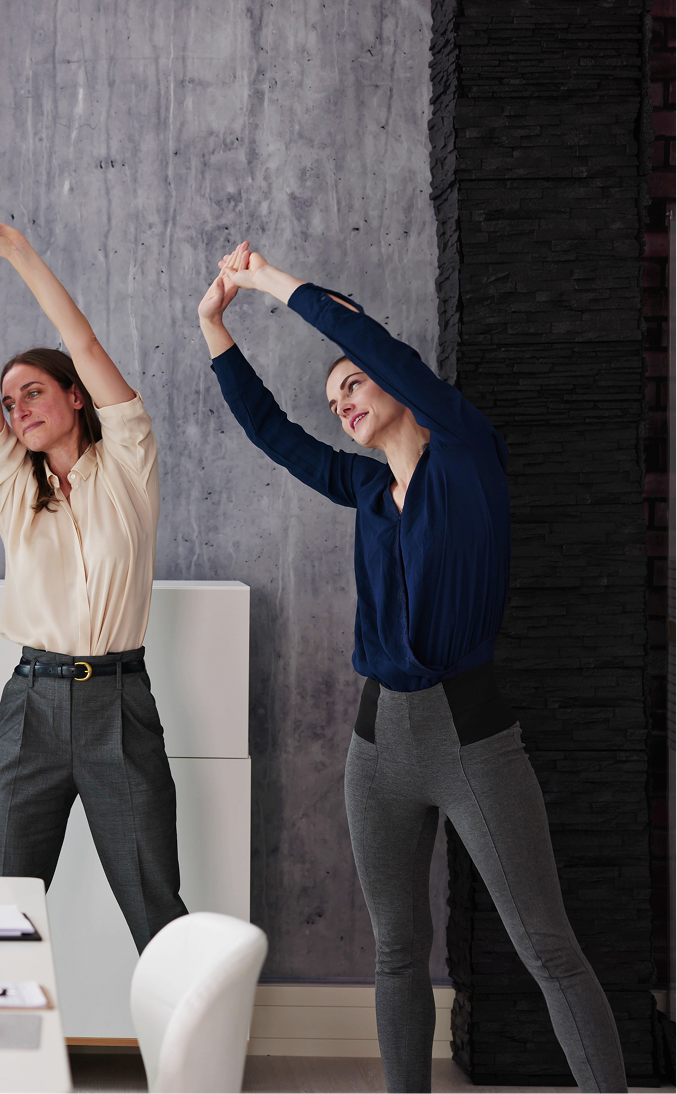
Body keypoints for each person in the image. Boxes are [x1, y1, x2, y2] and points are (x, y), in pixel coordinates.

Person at [198, 243, 625, 1094]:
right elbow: (273, 435)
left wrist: (268, 282)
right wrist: (214, 325)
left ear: (396, 378)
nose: (340, 403)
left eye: (351, 382)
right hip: (376, 744)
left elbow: (372, 344)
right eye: (334, 398)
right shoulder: (362, 492)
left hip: (470, 736)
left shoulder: (466, 456)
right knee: (396, 952)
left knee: (545, 946)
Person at [0, 179, 187, 950]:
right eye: (11, 404)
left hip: (120, 704)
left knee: (156, 908)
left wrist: (13, 253)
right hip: (31, 708)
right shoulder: (16, 490)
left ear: (76, 400)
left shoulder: (129, 467)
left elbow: (80, 340)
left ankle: (185, 1065)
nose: (17, 408)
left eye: (34, 392)